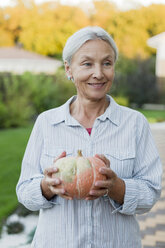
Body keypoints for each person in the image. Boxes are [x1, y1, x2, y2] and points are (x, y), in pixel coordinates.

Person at [16, 26, 162, 248]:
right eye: (87, 63)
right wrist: (47, 186)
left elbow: (150, 193)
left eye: (107, 63)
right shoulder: (47, 122)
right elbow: (24, 191)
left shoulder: (135, 123)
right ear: (69, 69)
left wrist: (116, 187)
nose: (99, 73)